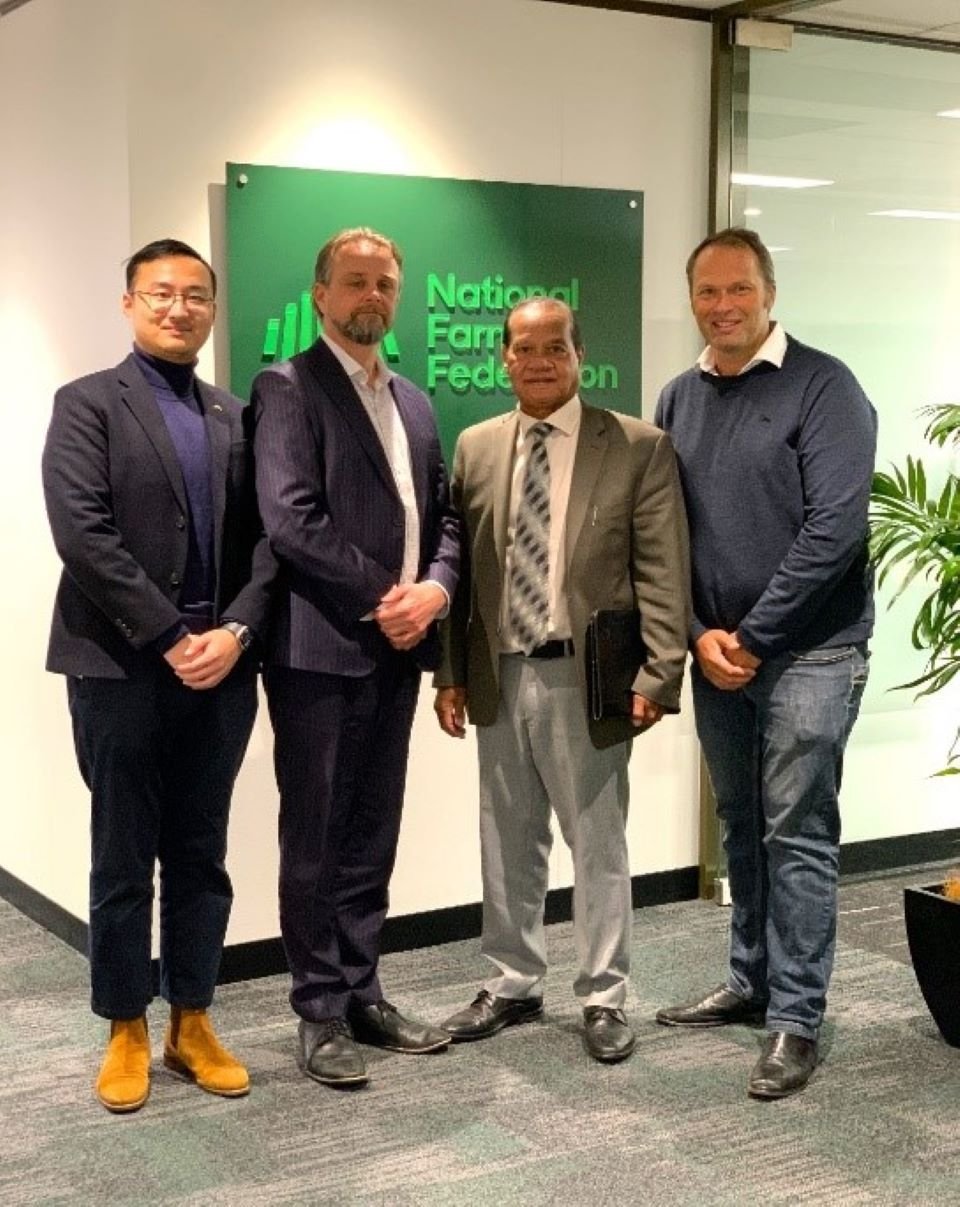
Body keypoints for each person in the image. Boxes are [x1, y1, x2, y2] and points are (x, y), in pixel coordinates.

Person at [42, 238, 275, 1113]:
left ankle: (192, 1018)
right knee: (122, 852)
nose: (180, 308)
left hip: (222, 671)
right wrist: (173, 635)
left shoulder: (237, 416)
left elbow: (271, 541)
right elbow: (82, 533)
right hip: (121, 666)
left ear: (212, 309)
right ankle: (124, 1024)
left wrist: (237, 629)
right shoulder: (86, 404)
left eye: (195, 296)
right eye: (161, 293)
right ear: (130, 303)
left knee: (201, 852)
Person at [435, 297, 690, 1063]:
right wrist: (450, 673)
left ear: (581, 355)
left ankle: (605, 993)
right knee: (506, 838)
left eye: (555, 347)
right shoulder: (477, 446)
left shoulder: (637, 446)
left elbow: (663, 570)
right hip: (500, 671)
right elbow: (461, 572)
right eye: (524, 348)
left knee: (597, 841)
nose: (539, 360)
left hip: (590, 675)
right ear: (504, 358)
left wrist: (660, 672)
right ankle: (512, 980)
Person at [654, 227, 876, 1099]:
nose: (723, 306)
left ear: (769, 293)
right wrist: (698, 633)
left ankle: (796, 1016)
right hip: (718, 655)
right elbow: (664, 531)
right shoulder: (679, 396)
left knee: (797, 830)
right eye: (707, 292)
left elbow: (835, 530)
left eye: (738, 289)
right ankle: (749, 978)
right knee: (741, 823)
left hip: (814, 652)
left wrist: (751, 636)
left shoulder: (826, 387)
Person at [251, 227, 460, 1089]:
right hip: (320, 651)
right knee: (317, 834)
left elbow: (447, 517)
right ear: (321, 295)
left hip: (398, 653)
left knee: (374, 828)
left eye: (385, 284)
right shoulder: (286, 387)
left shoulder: (415, 400)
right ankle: (319, 1007)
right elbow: (291, 519)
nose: (372, 296)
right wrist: (388, 598)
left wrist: (436, 590)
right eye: (355, 281)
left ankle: (364, 988)